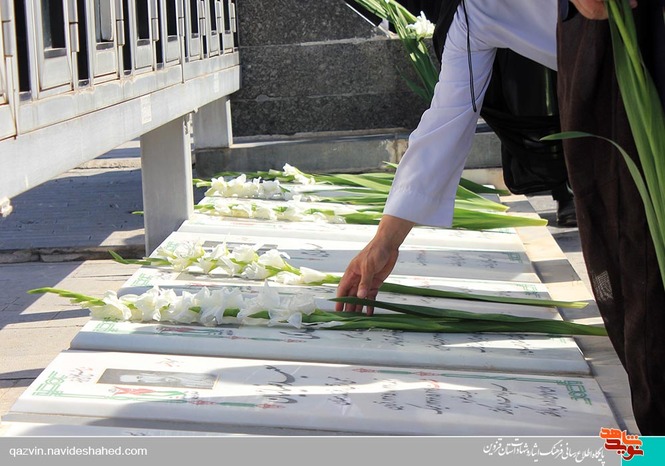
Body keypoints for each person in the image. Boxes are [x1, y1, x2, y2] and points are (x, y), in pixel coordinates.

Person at [336, 0, 665, 435]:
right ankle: (654, 445)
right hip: (620, 99)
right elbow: (448, 117)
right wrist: (385, 241)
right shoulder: (470, 13)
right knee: (639, 292)